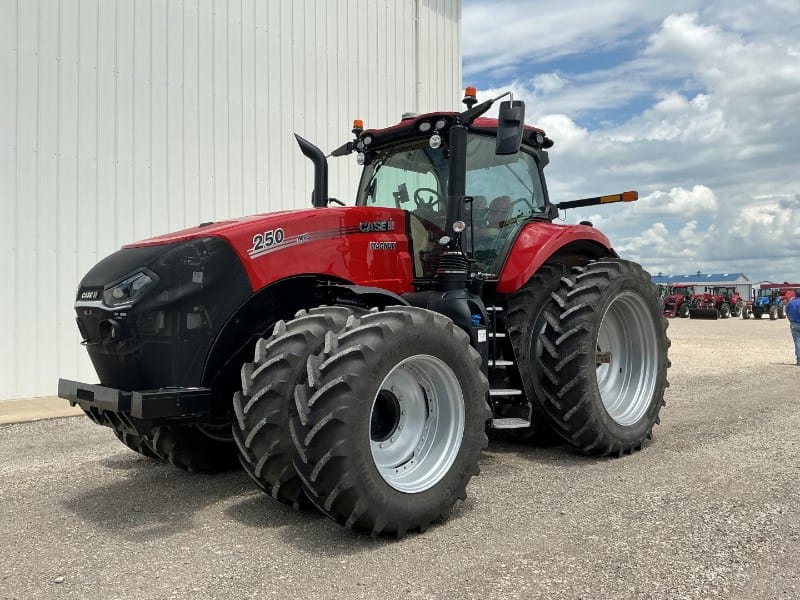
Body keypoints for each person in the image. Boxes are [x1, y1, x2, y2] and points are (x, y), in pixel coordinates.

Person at [787, 289, 800, 366]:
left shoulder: (790, 303)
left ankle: (799, 360)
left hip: (794, 324)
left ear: (795, 295)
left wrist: (791, 321)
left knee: (797, 342)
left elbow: (787, 313)